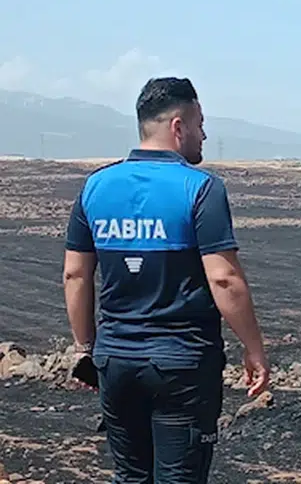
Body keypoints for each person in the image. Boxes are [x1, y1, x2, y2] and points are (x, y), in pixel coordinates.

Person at [61, 76, 270, 483]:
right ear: (178, 127)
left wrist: (85, 349)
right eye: (200, 124)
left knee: (131, 477)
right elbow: (224, 279)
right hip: (182, 366)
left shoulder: (95, 186)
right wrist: (254, 348)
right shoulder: (201, 188)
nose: (204, 134)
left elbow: (75, 273)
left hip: (116, 362)